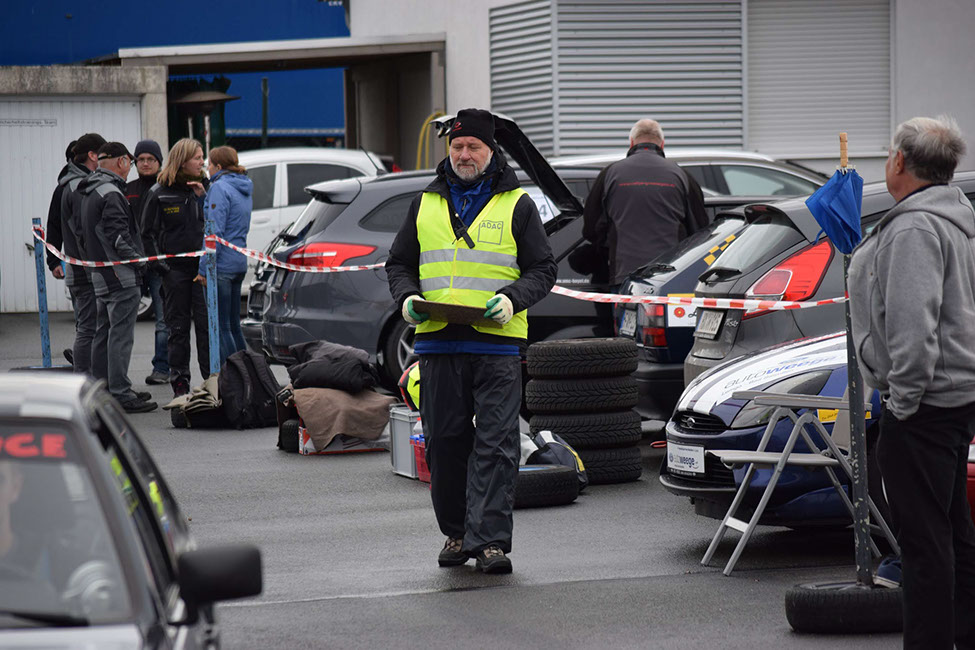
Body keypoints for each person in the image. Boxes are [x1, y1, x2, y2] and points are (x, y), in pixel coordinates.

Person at [385, 108, 557, 574]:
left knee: (497, 444)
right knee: (444, 443)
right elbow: (399, 264)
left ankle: (491, 542)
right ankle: (458, 534)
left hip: (496, 344)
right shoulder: (425, 203)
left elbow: (544, 269)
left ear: (490, 151)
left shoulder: (518, 204)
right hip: (437, 343)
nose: (464, 154)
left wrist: (512, 299)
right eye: (457, 146)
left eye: (473, 147)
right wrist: (407, 298)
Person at [848, 115, 975, 649]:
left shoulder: (914, 228)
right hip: (952, 400)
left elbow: (911, 326)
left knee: (925, 546)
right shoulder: (952, 216)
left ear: (900, 161)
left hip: (925, 407)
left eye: (888, 154)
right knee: (952, 533)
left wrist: (902, 404)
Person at [581, 118, 708, 286]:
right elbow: (700, 231)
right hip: (670, 276)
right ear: (662, 144)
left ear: (631, 142)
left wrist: (608, 247)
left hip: (623, 275)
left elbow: (591, 229)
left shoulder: (610, 174)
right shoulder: (681, 175)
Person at [79, 142, 157, 413]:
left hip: (101, 274)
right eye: (131, 162)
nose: (131, 167)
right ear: (122, 161)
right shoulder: (111, 193)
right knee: (120, 337)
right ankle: (121, 393)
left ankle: (105, 389)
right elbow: (119, 237)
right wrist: (140, 262)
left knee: (104, 333)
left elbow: (82, 234)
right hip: (119, 275)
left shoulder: (91, 190)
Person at [140, 138, 210, 397]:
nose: (202, 162)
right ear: (182, 161)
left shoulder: (206, 188)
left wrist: (203, 198)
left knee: (206, 328)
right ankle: (180, 384)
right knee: (178, 329)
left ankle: (212, 382)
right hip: (174, 271)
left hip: (202, 270)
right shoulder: (159, 191)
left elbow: (215, 223)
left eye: (202, 157)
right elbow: (146, 233)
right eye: (197, 157)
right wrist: (160, 265)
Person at [56, 133, 107, 376]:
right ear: (92, 155)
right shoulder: (79, 186)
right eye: (103, 154)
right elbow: (82, 231)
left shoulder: (74, 183)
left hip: (84, 269)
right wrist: (95, 267)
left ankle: (93, 379)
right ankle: (84, 381)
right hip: (85, 271)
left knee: (91, 327)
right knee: (89, 328)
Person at [198, 146, 252, 365]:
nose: (207, 169)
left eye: (209, 164)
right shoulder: (243, 185)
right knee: (233, 325)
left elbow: (215, 232)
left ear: (218, 166)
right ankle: (247, 372)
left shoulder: (219, 188)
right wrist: (205, 197)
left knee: (221, 327)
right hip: (238, 262)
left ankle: (233, 374)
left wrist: (203, 268)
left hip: (221, 265)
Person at [126, 139, 170, 386]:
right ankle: (115, 373)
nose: (145, 163)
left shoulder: (167, 188)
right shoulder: (126, 189)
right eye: (140, 159)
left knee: (163, 320)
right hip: (131, 263)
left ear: (159, 162)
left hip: (158, 264)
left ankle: (162, 368)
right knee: (121, 322)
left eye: (150, 159)